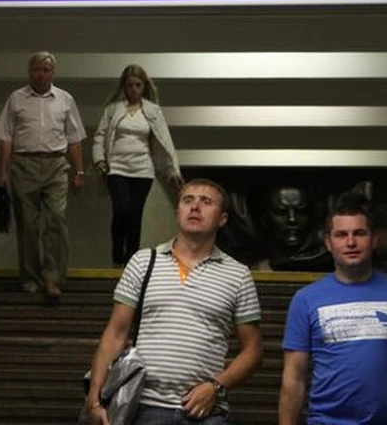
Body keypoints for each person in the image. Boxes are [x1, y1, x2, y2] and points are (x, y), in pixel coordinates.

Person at [86, 179, 263, 425]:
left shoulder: (238, 275)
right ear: (177, 212)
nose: (195, 207)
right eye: (188, 200)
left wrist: (216, 386)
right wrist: (94, 400)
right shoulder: (143, 262)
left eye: (206, 201)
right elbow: (115, 334)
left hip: (206, 411)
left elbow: (253, 350)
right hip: (145, 406)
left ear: (222, 219)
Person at [278, 195, 387, 425]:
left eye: (359, 233)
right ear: (328, 243)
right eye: (341, 235)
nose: (351, 242)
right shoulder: (306, 300)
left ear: (374, 239)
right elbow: (294, 377)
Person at [0, 50, 86, 297]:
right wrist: (3, 173)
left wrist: (79, 171)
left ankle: (52, 278)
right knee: (28, 224)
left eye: (45, 70)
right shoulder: (16, 99)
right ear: (29, 72)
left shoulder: (65, 99)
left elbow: (74, 138)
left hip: (56, 164)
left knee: (56, 218)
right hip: (24, 164)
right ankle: (31, 277)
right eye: (36, 70)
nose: (41, 74)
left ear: (52, 73)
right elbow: (5, 137)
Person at [92, 64, 183, 266]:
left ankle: (130, 261)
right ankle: (117, 256)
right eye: (130, 85)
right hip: (116, 167)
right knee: (121, 210)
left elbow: (165, 141)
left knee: (135, 215)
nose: (134, 89)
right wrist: (99, 159)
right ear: (124, 86)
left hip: (143, 170)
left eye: (138, 85)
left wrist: (173, 170)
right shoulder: (113, 109)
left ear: (144, 86)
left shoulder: (153, 110)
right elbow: (100, 135)